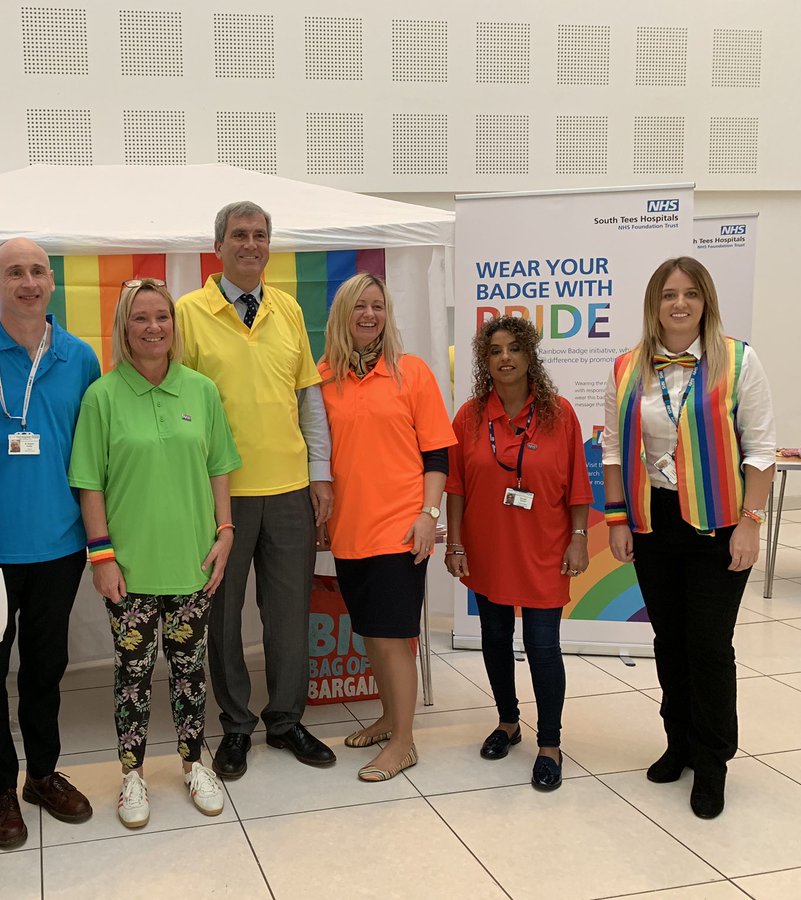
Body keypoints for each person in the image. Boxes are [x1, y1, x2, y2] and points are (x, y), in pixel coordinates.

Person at [0, 238, 100, 848]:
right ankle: (1, 786)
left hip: (59, 544)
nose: (27, 282)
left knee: (46, 669)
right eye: (14, 273)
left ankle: (43, 775)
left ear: (52, 282)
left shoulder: (81, 358)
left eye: (37, 272)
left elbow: (91, 453)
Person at [602, 256, 775, 818]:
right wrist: (618, 518)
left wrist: (751, 523)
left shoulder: (739, 360)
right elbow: (610, 449)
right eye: (669, 294)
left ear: (707, 302)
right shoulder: (628, 366)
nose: (680, 304)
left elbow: (761, 451)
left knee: (707, 645)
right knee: (668, 641)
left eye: (692, 294)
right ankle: (678, 742)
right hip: (655, 522)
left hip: (721, 525)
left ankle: (713, 760)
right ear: (654, 303)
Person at [68, 278, 242, 826]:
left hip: (193, 563)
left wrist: (226, 532)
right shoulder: (102, 395)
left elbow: (218, 467)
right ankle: (132, 777)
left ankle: (194, 763)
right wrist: (102, 556)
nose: (153, 327)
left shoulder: (201, 390)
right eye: (140, 318)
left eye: (162, 317)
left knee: (191, 671)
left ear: (174, 325)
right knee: (133, 676)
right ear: (124, 327)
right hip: (131, 570)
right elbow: (89, 483)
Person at [175, 201, 337, 777]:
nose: (251, 244)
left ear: (270, 245)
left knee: (289, 614)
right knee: (221, 615)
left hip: (290, 487)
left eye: (260, 235)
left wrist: (320, 473)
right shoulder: (187, 314)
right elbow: (175, 403)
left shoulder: (288, 310)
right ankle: (237, 726)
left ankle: (287, 720)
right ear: (217, 246)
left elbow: (308, 399)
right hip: (218, 496)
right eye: (239, 235)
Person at [444, 316, 592, 792]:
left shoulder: (559, 413)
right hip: (488, 545)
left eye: (513, 348)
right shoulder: (468, 416)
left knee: (543, 646)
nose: (504, 357)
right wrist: (455, 542)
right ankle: (508, 722)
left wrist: (579, 537)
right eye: (494, 350)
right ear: (484, 361)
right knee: (494, 635)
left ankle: (549, 744)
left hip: (545, 547)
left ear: (530, 356)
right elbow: (456, 486)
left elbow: (577, 483)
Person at [318, 274, 455, 782]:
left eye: (377, 305)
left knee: (396, 639)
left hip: (401, 529)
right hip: (349, 530)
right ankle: (389, 717)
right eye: (359, 306)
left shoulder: (411, 372)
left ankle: (404, 742)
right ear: (343, 314)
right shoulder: (324, 376)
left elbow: (436, 454)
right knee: (372, 636)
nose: (369, 314)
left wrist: (429, 515)